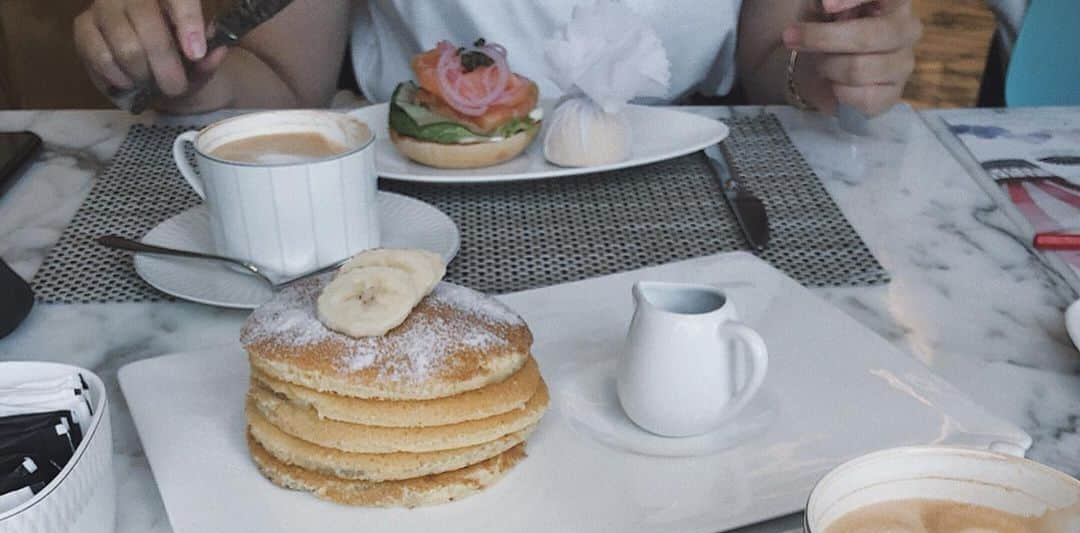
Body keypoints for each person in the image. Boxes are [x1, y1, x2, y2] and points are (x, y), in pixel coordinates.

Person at [73, 0, 922, 120]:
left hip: (693, 201)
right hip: (404, 199)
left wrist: (837, 66)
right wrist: (179, 67)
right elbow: (283, 87)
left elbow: (780, 59)